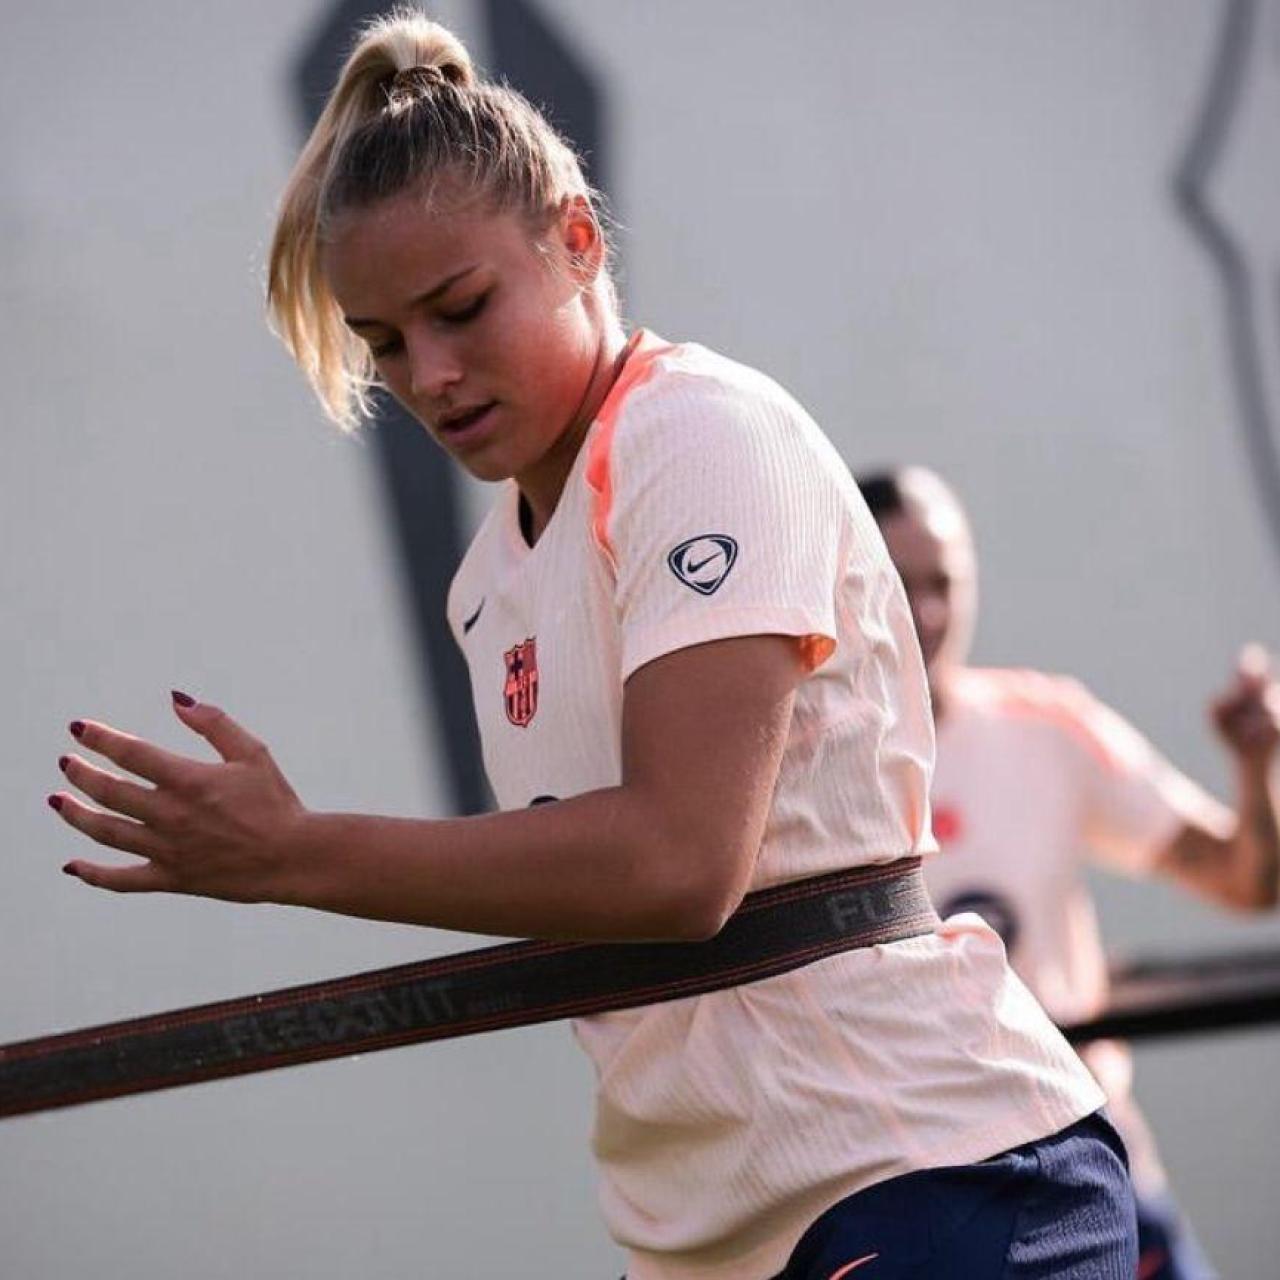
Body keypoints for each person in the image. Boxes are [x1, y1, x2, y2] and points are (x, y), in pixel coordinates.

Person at [47, 13, 1134, 1278]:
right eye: (384, 343)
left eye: (459, 308)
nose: (430, 374)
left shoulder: (693, 431)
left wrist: (295, 852)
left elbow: (678, 864)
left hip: (917, 1175)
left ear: (573, 238)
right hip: (708, 1229)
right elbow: (599, 906)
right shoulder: (486, 580)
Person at [857, 466, 1280, 1280]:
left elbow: (1245, 881)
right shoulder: (807, 768)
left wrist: (1257, 765)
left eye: (945, 581)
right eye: (899, 582)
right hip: (925, 1203)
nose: (930, 611)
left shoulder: (1047, 728)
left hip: (1096, 1161)